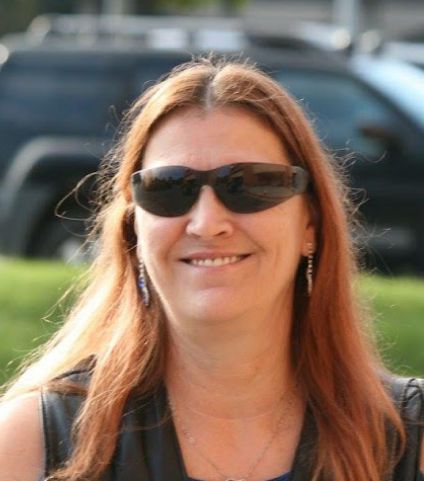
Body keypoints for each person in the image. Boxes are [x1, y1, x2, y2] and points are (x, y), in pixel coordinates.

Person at [0, 58, 423, 481]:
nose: (206, 223)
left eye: (248, 184)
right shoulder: (32, 445)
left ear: (310, 223)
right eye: (168, 188)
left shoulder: (410, 442)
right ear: (134, 233)